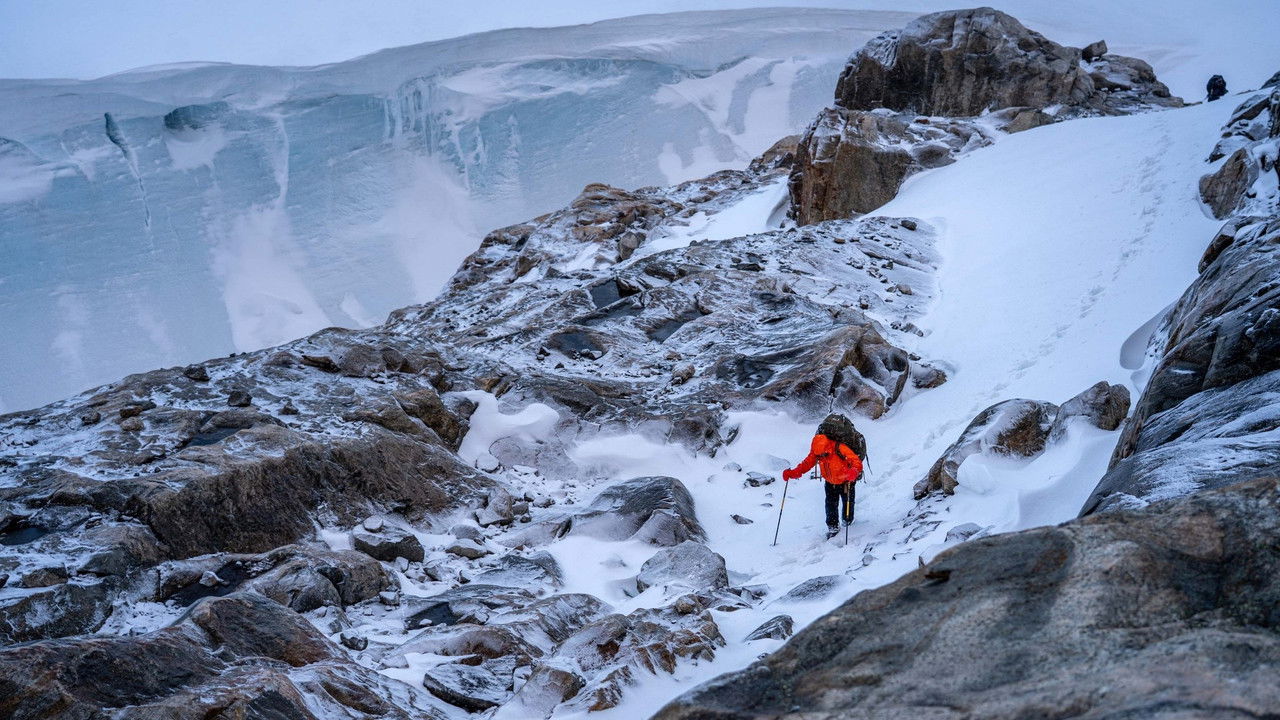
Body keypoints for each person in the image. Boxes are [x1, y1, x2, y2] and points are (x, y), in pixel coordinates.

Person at [781, 415, 864, 539]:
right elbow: (807, 463)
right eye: (819, 456)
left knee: (848, 502)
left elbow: (856, 461)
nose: (821, 458)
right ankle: (832, 527)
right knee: (830, 504)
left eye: (824, 455)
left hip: (846, 480)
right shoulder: (817, 451)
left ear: (827, 447)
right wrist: (793, 473)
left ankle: (848, 522)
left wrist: (854, 471)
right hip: (830, 482)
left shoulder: (839, 447)